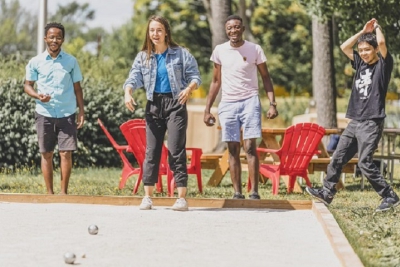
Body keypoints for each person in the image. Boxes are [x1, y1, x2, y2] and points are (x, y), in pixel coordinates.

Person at [306, 18, 399, 212]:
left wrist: (377, 28)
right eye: (362, 50)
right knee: (337, 158)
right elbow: (344, 47)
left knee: (364, 162)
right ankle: (327, 192)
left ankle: (389, 196)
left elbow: (381, 42)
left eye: (367, 49)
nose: (363, 53)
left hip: (371, 122)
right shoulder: (360, 64)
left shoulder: (383, 65)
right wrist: (362, 31)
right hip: (355, 121)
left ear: (374, 50)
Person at [123, 15, 201, 211]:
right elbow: (134, 77)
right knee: (152, 151)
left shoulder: (181, 54)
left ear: (166, 31)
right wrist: (128, 91)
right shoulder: (143, 56)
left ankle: (181, 198)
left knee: (176, 149)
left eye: (159, 30)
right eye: (151, 30)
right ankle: (148, 197)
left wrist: (188, 88)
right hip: (154, 104)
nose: (155, 34)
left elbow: (195, 75)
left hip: (176, 103)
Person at [203, 15, 278, 199]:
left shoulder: (254, 49)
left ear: (242, 28)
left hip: (250, 101)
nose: (233, 31)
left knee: (250, 146)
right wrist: (207, 109)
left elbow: (266, 78)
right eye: (230, 28)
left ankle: (254, 192)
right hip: (228, 103)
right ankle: (237, 193)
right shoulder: (220, 50)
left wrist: (272, 104)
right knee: (233, 148)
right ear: (226, 30)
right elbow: (215, 81)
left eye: (236, 27)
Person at [24, 22, 84, 195]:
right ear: (45, 38)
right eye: (51, 37)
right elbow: (27, 86)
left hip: (67, 113)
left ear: (63, 40)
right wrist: (37, 96)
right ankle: (50, 194)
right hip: (44, 113)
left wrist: (81, 111)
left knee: (66, 153)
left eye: (58, 37)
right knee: (47, 154)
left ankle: (63, 193)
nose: (54, 40)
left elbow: (77, 88)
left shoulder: (71, 61)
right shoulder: (35, 62)